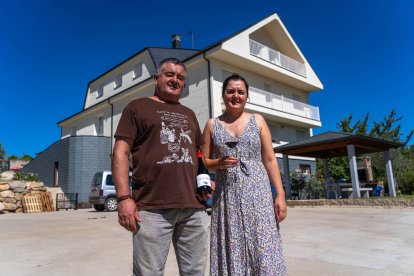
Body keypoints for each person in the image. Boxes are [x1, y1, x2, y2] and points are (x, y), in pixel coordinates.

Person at [112, 57, 212, 276]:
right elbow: (120, 152)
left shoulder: (189, 114)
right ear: (156, 78)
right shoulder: (137, 107)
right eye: (170, 74)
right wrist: (123, 198)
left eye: (180, 77)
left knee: (195, 272)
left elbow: (198, 155)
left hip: (194, 208)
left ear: (184, 84)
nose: (175, 80)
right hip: (151, 208)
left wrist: (206, 180)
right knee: (149, 273)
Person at [202, 73, 287, 275]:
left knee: (263, 245)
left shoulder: (258, 121)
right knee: (233, 244)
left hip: (258, 195)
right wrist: (219, 163)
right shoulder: (212, 125)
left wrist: (280, 195)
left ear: (247, 96)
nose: (236, 95)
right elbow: (204, 162)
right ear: (223, 95)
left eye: (241, 92)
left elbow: (270, 159)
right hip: (227, 198)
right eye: (231, 91)